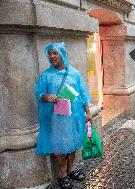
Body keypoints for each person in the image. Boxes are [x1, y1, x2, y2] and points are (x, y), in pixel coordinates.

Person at [35, 42, 92, 189]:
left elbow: (83, 94)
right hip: (56, 118)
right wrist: (46, 96)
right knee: (59, 147)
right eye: (50, 53)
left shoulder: (74, 73)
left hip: (74, 116)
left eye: (55, 53)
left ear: (62, 54)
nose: (52, 56)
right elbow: (38, 93)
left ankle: (70, 170)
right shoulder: (46, 75)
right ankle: (62, 175)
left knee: (72, 144)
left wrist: (88, 111)